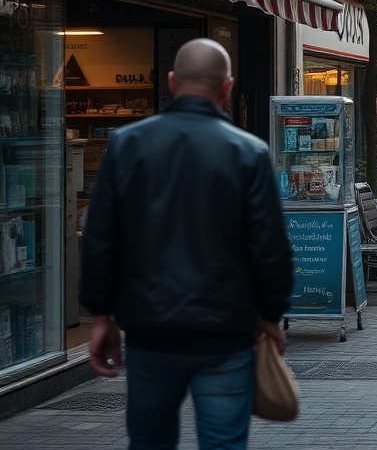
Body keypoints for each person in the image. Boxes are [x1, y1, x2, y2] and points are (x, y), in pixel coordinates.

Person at [79, 38, 294, 450]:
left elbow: (102, 236)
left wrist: (101, 314)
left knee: (150, 442)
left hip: (150, 330)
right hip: (227, 332)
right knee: (224, 443)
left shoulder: (126, 144)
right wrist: (270, 314)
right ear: (227, 88)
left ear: (173, 82)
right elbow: (269, 246)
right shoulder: (249, 152)